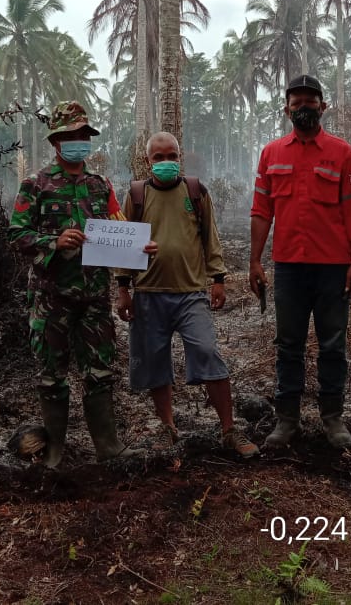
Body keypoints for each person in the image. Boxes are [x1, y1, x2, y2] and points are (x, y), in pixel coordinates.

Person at [8, 101, 149, 468]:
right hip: (50, 296)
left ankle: (108, 446)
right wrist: (53, 243)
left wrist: (139, 247)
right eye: (70, 136)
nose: (78, 142)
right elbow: (17, 234)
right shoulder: (35, 185)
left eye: (83, 135)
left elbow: (118, 228)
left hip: (93, 297)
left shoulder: (100, 185)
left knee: (100, 371)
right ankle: (54, 451)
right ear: (56, 141)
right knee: (51, 375)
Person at [115, 132, 259, 459]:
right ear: (147, 161)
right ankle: (168, 427)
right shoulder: (136, 195)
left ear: (180, 157)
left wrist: (218, 279)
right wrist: (123, 289)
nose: (166, 163)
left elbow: (211, 237)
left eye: (172, 156)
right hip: (148, 294)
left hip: (191, 294)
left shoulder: (195, 191)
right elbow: (123, 244)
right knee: (154, 363)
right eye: (158, 158)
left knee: (207, 351)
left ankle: (228, 429)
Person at [249, 74, 351, 449]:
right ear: (286, 109)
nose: (304, 107)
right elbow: (261, 210)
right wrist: (255, 261)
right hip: (288, 267)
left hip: (333, 267)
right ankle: (287, 421)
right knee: (288, 344)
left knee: (333, 344)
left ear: (323, 106)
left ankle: (333, 419)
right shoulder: (271, 153)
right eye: (297, 102)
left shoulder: (342, 152)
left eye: (310, 101)